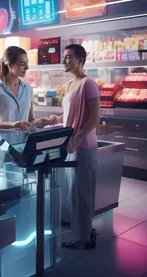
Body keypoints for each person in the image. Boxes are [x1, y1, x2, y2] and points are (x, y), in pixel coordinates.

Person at [49, 44, 100, 250]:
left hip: (83, 147)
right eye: (64, 57)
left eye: (69, 57)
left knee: (83, 192)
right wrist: (54, 119)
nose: (65, 61)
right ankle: (84, 231)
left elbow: (94, 118)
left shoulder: (88, 84)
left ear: (80, 60)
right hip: (71, 146)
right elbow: (71, 116)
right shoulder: (70, 84)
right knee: (74, 191)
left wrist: (77, 139)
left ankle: (85, 239)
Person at [0, 46, 49, 130]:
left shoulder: (28, 89)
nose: (27, 67)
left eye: (27, 63)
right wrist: (12, 125)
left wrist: (38, 122)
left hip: (24, 140)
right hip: (4, 141)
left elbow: (30, 120)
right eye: (22, 64)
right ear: (10, 65)